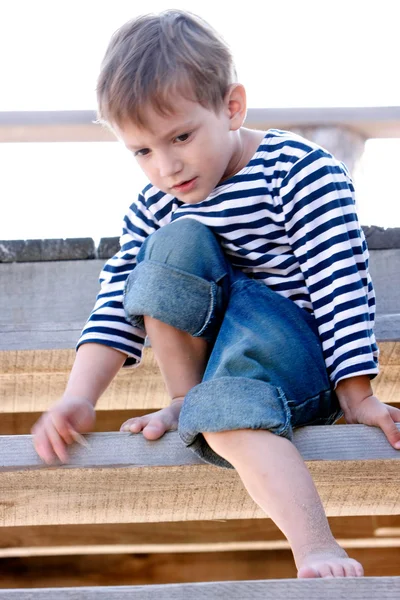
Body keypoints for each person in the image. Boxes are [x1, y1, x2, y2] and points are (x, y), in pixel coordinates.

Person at [32, 10, 400, 578]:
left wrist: (356, 394)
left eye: (180, 137)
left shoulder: (297, 171)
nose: (167, 166)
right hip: (220, 371)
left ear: (231, 107)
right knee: (172, 245)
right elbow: (118, 303)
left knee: (232, 370)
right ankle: (188, 399)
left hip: (292, 359)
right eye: (143, 151)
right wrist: (80, 396)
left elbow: (340, 285)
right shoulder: (154, 206)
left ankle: (317, 547)